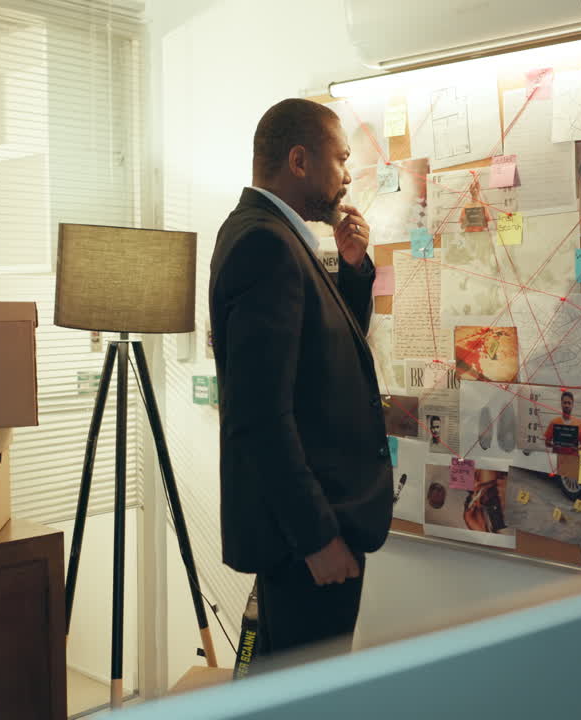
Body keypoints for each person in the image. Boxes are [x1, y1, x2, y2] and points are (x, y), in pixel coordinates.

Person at [209, 98, 392, 663]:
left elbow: (322, 366)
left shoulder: (273, 237)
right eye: (340, 160)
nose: (346, 176)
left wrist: (355, 272)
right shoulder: (266, 245)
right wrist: (317, 538)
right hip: (309, 539)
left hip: (312, 530)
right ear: (298, 160)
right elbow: (259, 414)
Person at [544, 390, 581, 455]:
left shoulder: (579, 424)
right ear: (561, 404)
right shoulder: (554, 423)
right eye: (564, 403)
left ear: (572, 405)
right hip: (557, 460)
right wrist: (554, 445)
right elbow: (547, 443)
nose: (567, 405)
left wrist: (577, 447)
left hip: (573, 460)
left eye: (569, 403)